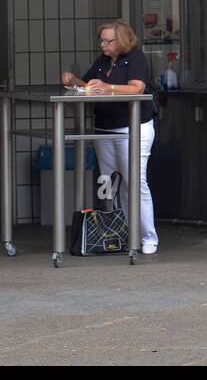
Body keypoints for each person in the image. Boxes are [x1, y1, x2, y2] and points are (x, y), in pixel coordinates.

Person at [60, 20, 159, 254]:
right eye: (101, 40)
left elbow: (137, 88)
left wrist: (108, 87)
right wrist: (73, 81)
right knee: (111, 183)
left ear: (121, 40)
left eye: (108, 40)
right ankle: (121, 232)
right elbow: (88, 85)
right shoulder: (104, 60)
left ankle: (148, 237)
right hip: (105, 129)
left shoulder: (135, 58)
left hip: (133, 128)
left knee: (135, 182)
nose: (103, 44)